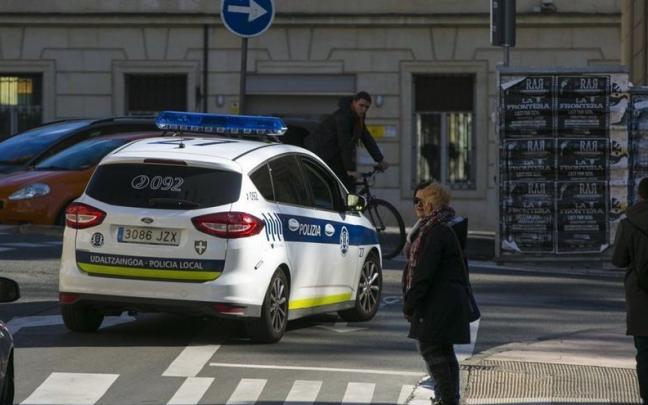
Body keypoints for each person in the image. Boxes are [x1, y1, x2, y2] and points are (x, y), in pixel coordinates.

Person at [402, 181, 471, 405]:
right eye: (415, 201)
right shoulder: (435, 227)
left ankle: (448, 400)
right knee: (444, 353)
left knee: (433, 352)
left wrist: (410, 303)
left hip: (438, 303)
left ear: (432, 205)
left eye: (421, 202)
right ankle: (448, 398)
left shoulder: (436, 231)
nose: (417, 206)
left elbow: (424, 273)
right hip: (445, 302)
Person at [612, 177, 648, 404]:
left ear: (640, 195)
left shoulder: (628, 223)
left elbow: (619, 260)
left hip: (641, 295)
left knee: (644, 352)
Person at [309, 91, 389, 190]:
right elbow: (344, 143)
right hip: (322, 154)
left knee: (347, 188)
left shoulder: (357, 118)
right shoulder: (343, 117)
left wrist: (380, 159)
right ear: (354, 102)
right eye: (361, 105)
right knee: (338, 187)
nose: (363, 109)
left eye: (367, 107)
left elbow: (366, 137)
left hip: (335, 155)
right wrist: (349, 169)